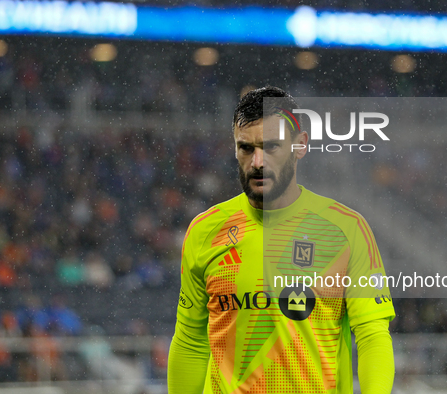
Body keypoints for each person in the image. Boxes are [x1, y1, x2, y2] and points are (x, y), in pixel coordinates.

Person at [167, 86, 395, 394]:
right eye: (246, 148)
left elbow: (372, 335)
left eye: (271, 146)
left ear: (300, 145)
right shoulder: (206, 230)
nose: (257, 161)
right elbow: (190, 340)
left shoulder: (346, 228)